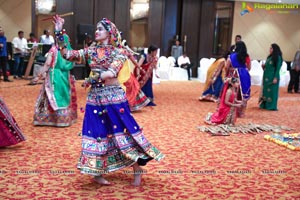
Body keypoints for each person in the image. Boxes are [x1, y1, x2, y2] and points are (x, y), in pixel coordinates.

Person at [53, 16, 164, 186]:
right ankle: (97, 173)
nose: (96, 31)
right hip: (95, 99)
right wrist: (59, 31)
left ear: (110, 32)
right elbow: (67, 54)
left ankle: (137, 169)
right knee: (97, 134)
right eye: (96, 29)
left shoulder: (118, 52)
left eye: (100, 29)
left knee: (123, 133)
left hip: (114, 99)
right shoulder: (90, 51)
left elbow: (110, 74)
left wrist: (91, 80)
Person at [32, 34, 77, 127]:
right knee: (63, 95)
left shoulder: (53, 50)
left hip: (54, 75)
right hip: (65, 76)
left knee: (51, 95)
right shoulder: (69, 52)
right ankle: (64, 118)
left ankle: (49, 118)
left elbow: (47, 64)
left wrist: (38, 76)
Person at [225, 41, 251, 117]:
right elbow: (249, 68)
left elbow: (226, 67)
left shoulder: (231, 56)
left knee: (234, 91)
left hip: (234, 74)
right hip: (244, 75)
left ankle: (232, 111)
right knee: (244, 93)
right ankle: (242, 112)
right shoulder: (246, 56)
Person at [259, 43, 283, 111]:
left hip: (273, 77)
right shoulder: (270, 57)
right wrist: (263, 67)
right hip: (266, 77)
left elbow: (277, 68)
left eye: (271, 48)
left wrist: (275, 78)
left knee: (272, 92)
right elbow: (268, 67)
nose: (270, 49)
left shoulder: (278, 57)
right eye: (270, 48)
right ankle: (265, 105)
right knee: (266, 91)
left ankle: (271, 106)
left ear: (275, 49)